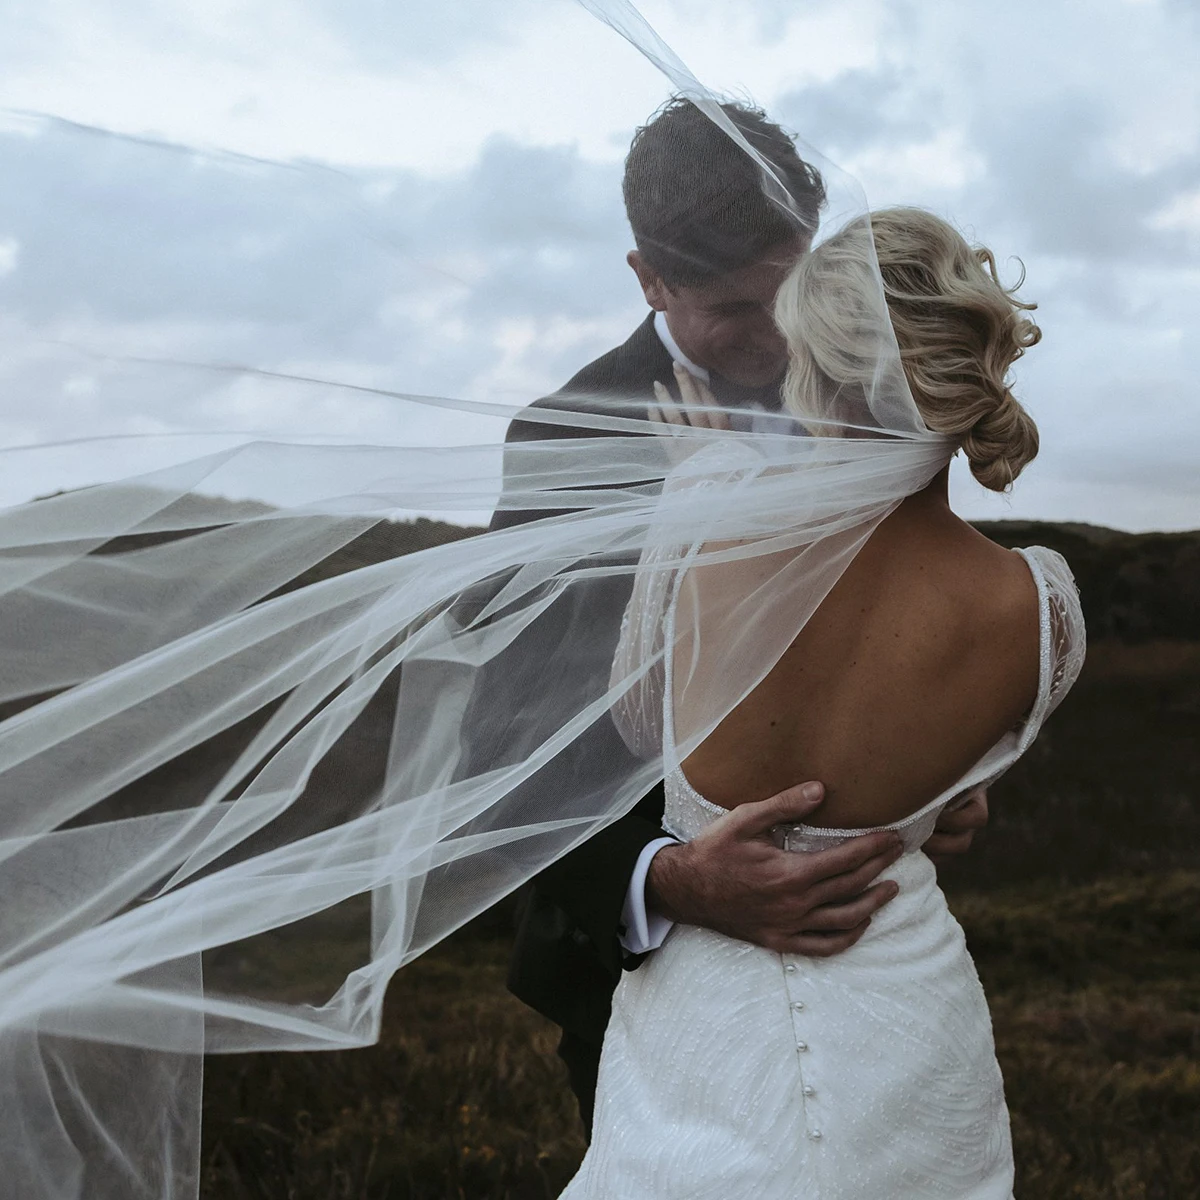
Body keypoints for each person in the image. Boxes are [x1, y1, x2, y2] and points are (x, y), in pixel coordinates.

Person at [557, 207, 1086, 1197]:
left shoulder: (710, 507)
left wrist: (707, 486)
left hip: (706, 1033)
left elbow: (640, 729)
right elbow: (960, 790)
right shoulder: (1040, 604)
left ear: (820, 371)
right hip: (907, 1020)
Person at [489, 98, 989, 1131]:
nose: (776, 340)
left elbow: (908, 620)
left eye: (793, 293)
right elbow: (508, 743)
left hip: (872, 972)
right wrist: (669, 882)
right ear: (648, 279)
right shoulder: (559, 442)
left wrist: (946, 772)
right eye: (730, 310)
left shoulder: (869, 393)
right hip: (649, 990)